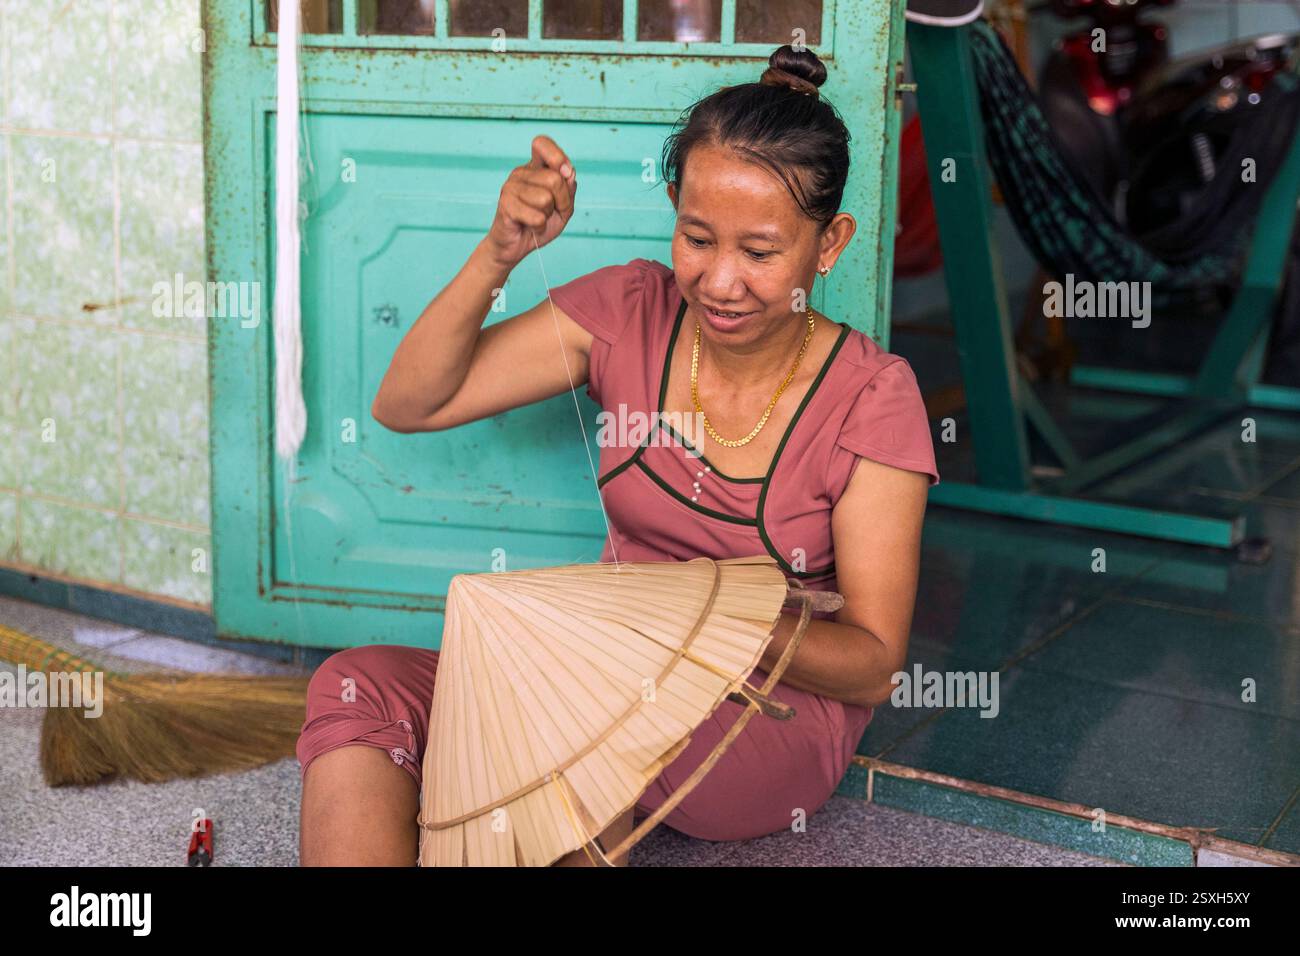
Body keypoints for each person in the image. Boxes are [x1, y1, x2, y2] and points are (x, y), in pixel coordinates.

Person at [297, 43, 939, 867]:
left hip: (768, 714)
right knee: (358, 685)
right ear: (673, 209)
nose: (719, 281)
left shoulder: (871, 397)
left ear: (829, 244)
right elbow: (409, 403)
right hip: (589, 670)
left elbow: (873, 668)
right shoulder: (631, 308)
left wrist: (688, 618)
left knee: (546, 706)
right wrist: (500, 252)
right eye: (698, 237)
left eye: (761, 252)